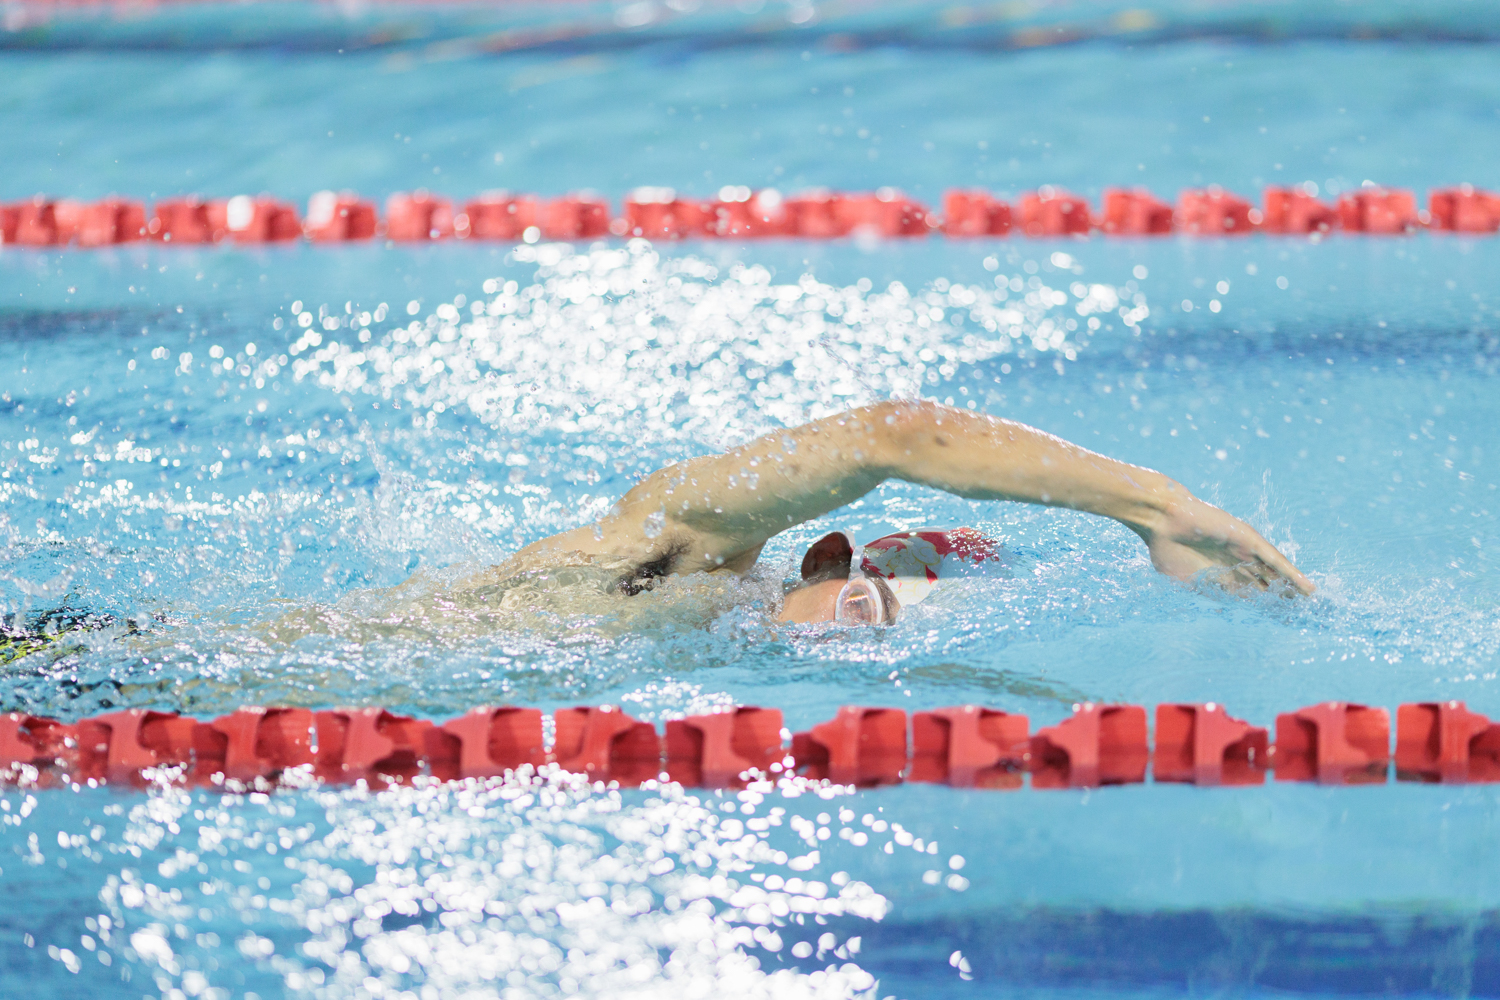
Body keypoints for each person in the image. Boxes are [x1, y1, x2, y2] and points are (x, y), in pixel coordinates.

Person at [469, 400, 1313, 625]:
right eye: (863, 607)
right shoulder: (678, 547)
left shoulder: (712, 643)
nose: (851, 639)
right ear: (826, 560)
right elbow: (890, 435)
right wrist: (1155, 508)